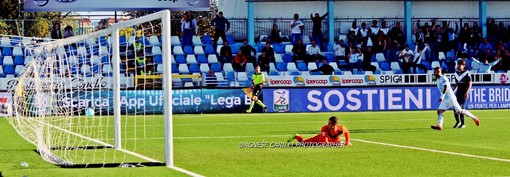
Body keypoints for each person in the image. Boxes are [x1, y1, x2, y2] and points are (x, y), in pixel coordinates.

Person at [452, 60, 472, 128]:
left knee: (461, 108)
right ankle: (458, 122)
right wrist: (453, 92)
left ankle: (463, 124)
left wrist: (467, 92)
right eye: (458, 64)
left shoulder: (466, 73)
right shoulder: (456, 73)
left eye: (461, 65)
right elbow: (456, 84)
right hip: (458, 94)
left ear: (463, 66)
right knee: (455, 108)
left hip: (464, 93)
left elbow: (470, 84)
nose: (459, 66)